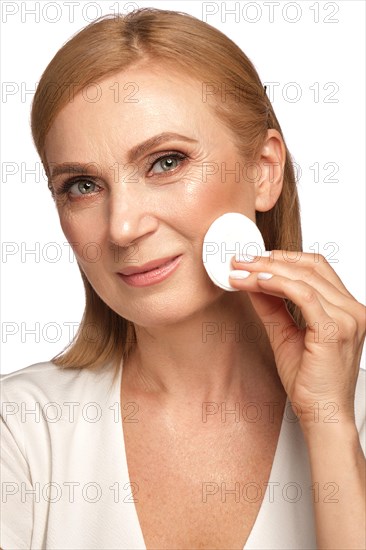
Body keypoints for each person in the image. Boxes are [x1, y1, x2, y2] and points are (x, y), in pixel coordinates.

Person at [1, 7, 365, 550]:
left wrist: (330, 423)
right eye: (82, 186)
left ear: (264, 171)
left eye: (166, 162)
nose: (123, 227)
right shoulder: (24, 431)